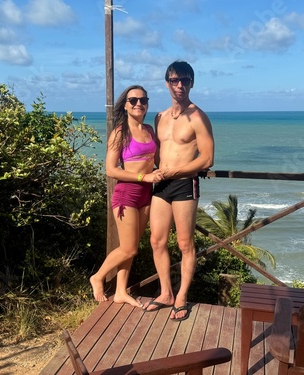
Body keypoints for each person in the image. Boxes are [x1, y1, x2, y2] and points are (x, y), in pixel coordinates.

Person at [143, 61, 214, 321]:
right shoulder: (160, 117)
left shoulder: (198, 117)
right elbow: (156, 153)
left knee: (185, 243)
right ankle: (165, 293)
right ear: (167, 83)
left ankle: (181, 296)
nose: (180, 85)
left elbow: (207, 159)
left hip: (184, 183)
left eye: (185, 80)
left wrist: (175, 171)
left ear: (192, 83)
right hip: (160, 184)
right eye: (174, 80)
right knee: (157, 241)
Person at [90, 85, 163, 308]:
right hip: (127, 195)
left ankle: (121, 291)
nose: (139, 104)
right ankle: (98, 276)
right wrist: (144, 177)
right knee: (129, 248)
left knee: (130, 245)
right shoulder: (120, 132)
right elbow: (111, 169)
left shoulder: (150, 130)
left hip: (146, 196)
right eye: (133, 100)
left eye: (143, 100)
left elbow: (159, 161)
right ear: (125, 104)